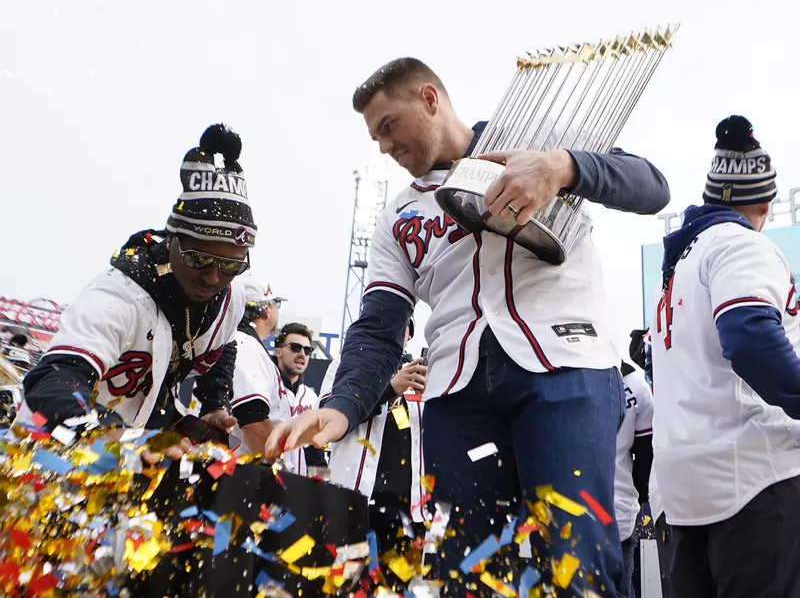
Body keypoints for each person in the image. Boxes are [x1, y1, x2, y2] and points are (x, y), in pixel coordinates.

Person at [266, 57, 669, 597]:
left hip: (565, 366)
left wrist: (562, 167)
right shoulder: (398, 218)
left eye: (389, 127)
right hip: (457, 395)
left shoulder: (534, 142)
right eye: (375, 137)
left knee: (577, 564)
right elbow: (379, 327)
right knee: (467, 573)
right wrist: (341, 407)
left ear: (430, 99)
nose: (384, 147)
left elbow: (653, 186)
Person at [17, 123, 255, 465]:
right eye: (200, 259)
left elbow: (225, 344)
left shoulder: (230, 299)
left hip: (134, 457)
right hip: (53, 455)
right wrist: (106, 433)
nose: (214, 277)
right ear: (172, 239)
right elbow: (53, 379)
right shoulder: (118, 296)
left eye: (231, 265)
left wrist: (214, 401)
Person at [649, 115, 800, 598]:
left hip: (682, 490)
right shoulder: (741, 243)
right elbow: (750, 336)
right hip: (753, 483)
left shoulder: (676, 268)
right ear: (765, 203)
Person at [321, 317, 427, 563]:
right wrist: (389, 389)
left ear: (409, 334)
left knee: (400, 587)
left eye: (403, 325)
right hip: (356, 501)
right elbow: (329, 415)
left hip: (408, 509)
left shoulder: (421, 371)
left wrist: (435, 398)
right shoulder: (345, 364)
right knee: (348, 583)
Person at [228, 275, 290, 454]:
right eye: (276, 303)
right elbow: (253, 421)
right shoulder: (244, 344)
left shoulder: (242, 342)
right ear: (267, 309)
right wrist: (280, 474)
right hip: (242, 471)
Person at [613, 361, 654, 598]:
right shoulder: (634, 382)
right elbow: (646, 455)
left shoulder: (549, 370)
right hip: (619, 510)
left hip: (565, 513)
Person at [273, 322, 326, 474]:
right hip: (264, 478)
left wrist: (323, 486)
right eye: (295, 347)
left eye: (307, 350)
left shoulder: (310, 396)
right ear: (278, 351)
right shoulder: (266, 387)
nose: (302, 354)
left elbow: (315, 451)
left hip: (297, 486)